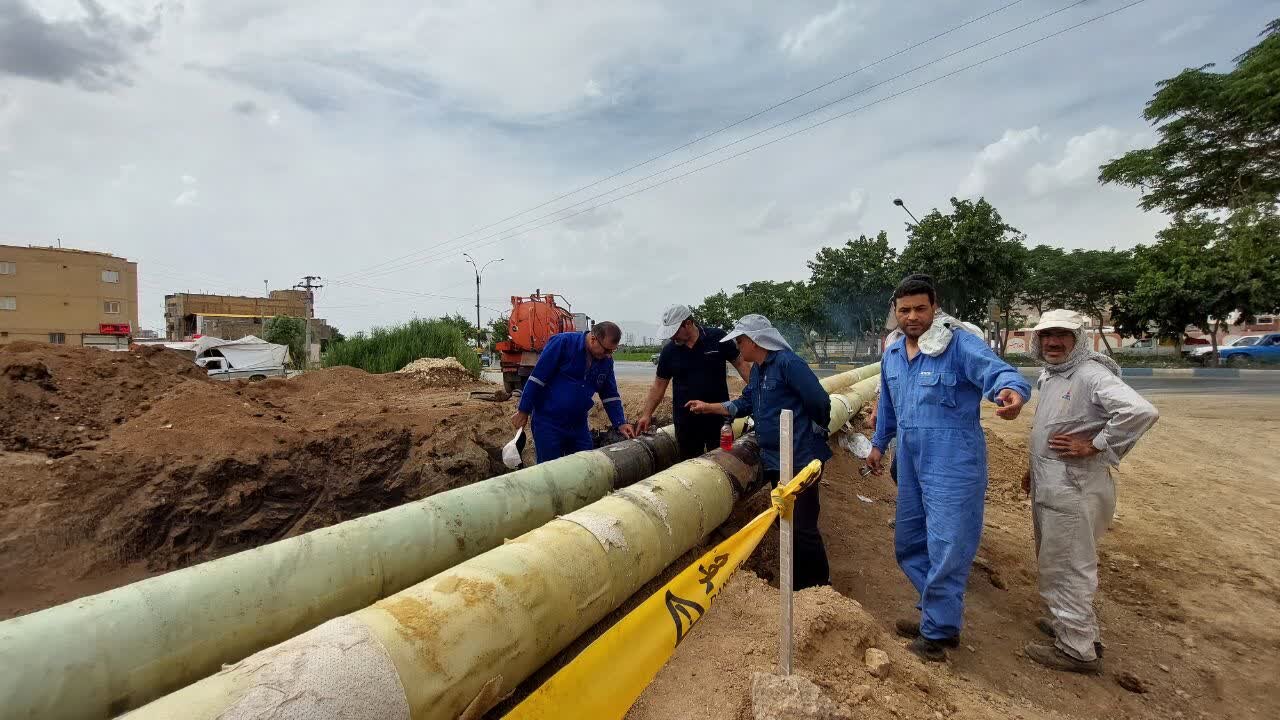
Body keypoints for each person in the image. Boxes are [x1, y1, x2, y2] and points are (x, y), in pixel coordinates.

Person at [864, 275, 1031, 662]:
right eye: (904, 310)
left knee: (948, 545)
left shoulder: (956, 344)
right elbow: (888, 407)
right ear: (895, 312)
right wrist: (877, 445)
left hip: (953, 462)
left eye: (920, 308)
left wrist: (1011, 394)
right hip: (909, 459)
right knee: (909, 544)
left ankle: (937, 633)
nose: (912, 317)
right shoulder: (891, 355)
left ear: (934, 307)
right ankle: (938, 614)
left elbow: (999, 373)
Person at [1022, 309, 1159, 674]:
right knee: (1056, 560)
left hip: (1074, 486)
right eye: (1046, 335)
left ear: (1078, 339)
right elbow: (1048, 426)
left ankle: (1075, 649)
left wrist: (1095, 444)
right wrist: (1031, 470)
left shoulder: (1090, 374)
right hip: (1052, 482)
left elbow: (1140, 411)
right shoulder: (1051, 375)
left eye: (1061, 336)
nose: (1052, 342)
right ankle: (1071, 625)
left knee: (1067, 566)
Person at [685, 314, 832, 590]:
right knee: (786, 521)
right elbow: (745, 403)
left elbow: (820, 401)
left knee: (803, 526)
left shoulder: (788, 363)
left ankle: (819, 587)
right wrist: (709, 407)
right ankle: (797, 583)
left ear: (755, 341)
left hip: (800, 459)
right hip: (776, 461)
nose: (738, 347)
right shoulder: (759, 371)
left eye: (740, 341)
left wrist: (812, 430)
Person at [636, 305, 753, 459]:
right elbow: (659, 386)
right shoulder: (669, 352)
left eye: (675, 331)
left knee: (722, 461)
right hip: (685, 421)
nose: (672, 337)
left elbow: (741, 364)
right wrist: (646, 414)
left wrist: (758, 390)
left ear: (688, 323)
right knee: (689, 464)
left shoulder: (717, 338)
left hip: (718, 416)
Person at [511, 321, 635, 463]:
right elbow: (537, 379)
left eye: (612, 351)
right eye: (606, 350)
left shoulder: (605, 362)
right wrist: (523, 410)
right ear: (593, 338)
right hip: (549, 422)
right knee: (550, 469)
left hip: (578, 424)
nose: (608, 355)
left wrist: (620, 422)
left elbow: (610, 394)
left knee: (585, 465)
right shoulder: (563, 343)